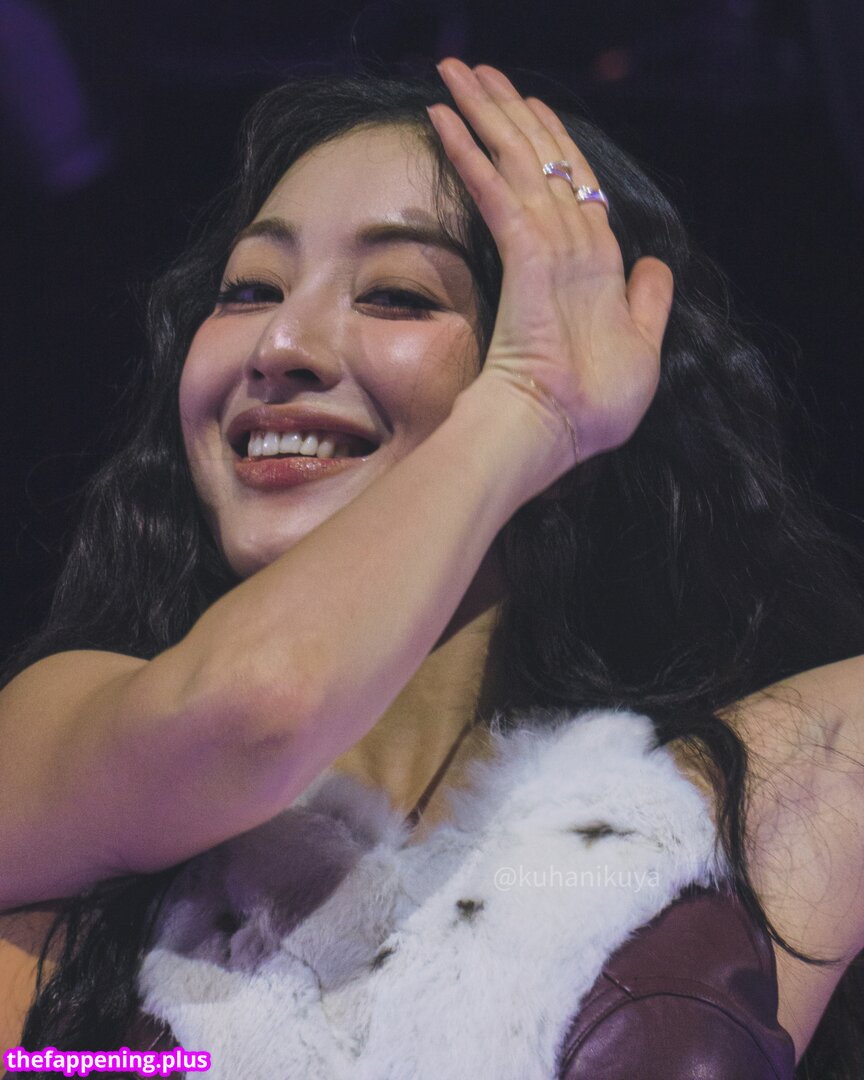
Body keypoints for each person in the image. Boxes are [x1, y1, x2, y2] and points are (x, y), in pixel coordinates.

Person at [0, 58, 862, 1078]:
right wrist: (526, 403)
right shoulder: (54, 736)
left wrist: (538, 407)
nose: (280, 342)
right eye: (249, 290)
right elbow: (258, 706)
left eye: (399, 296)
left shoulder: (749, 796)